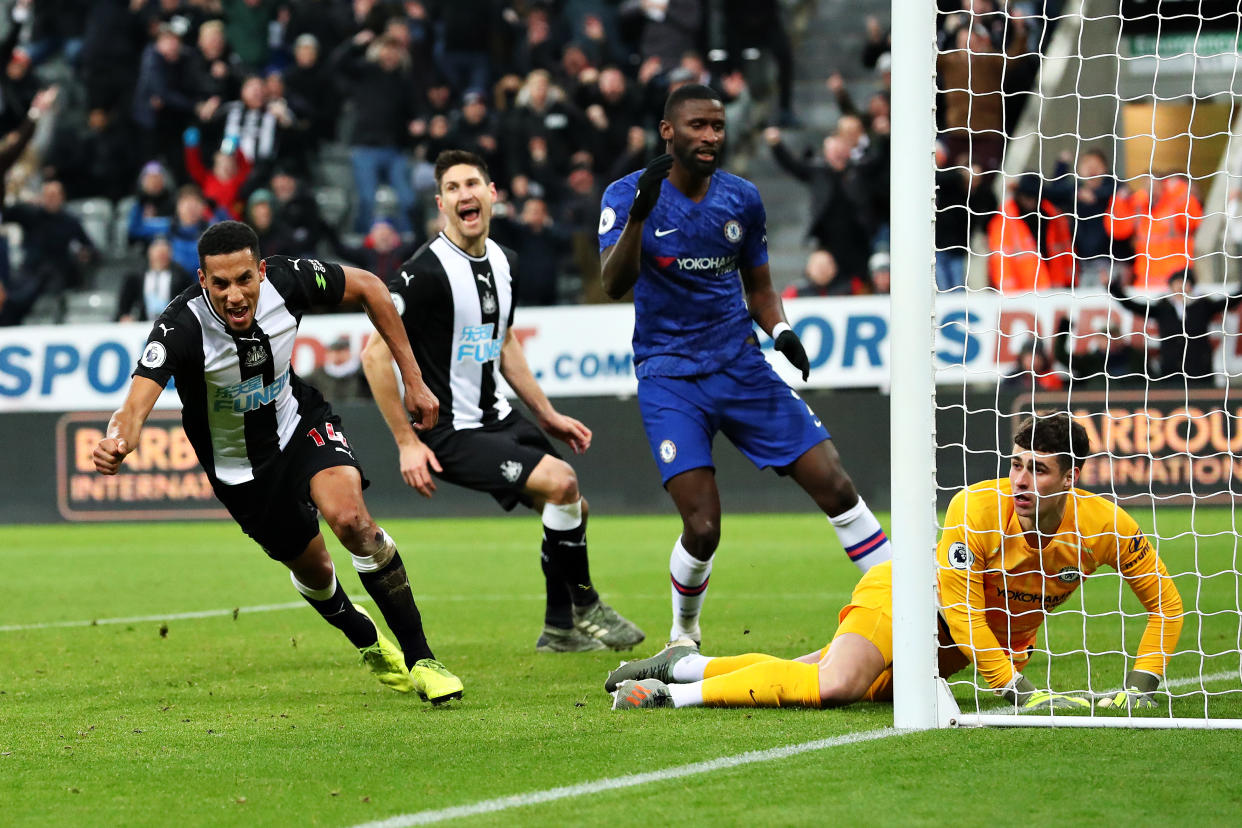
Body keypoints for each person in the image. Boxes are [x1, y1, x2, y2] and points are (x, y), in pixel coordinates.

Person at [92, 220, 463, 704]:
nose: (235, 295)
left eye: (244, 279)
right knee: (316, 570)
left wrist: (412, 379)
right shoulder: (181, 326)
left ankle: (422, 658)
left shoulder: (289, 281)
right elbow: (134, 406)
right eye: (220, 283)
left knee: (353, 522)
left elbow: (372, 288)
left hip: (299, 424)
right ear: (202, 281)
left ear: (261, 271)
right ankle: (363, 635)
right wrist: (117, 441)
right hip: (242, 471)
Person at [608, 413, 1184, 712]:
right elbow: (959, 607)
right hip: (911, 598)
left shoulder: (1106, 527)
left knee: (822, 675)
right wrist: (1017, 689)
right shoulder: (976, 508)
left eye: (1038, 470)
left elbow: (1167, 602)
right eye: (1016, 465)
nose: (1022, 481)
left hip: (972, 643)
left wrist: (1142, 683)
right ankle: (671, 696)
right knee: (837, 684)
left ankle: (684, 665)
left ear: (1070, 477)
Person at [599, 85, 892, 647]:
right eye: (697, 126)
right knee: (703, 528)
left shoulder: (742, 199)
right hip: (669, 376)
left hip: (742, 365)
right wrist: (639, 214)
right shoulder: (626, 194)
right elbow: (614, 283)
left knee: (835, 484)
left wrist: (781, 332)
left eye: (718, 126)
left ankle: (911, 611)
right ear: (668, 132)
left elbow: (759, 288)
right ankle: (684, 632)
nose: (711, 136)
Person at [361, 149, 644, 654]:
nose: (465, 194)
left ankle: (559, 629)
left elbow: (504, 341)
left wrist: (548, 413)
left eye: (473, 183)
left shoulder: (505, 261)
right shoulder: (422, 273)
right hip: (450, 431)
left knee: (573, 507)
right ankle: (586, 604)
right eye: (453, 187)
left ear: (492, 195)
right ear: (441, 203)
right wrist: (407, 441)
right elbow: (373, 356)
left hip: (500, 416)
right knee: (562, 483)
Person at [1108, 269, 1241, 387]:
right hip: (1171, 370)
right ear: (1170, 286)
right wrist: (1113, 288)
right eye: (1176, 282)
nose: (1180, 286)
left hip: (1199, 369)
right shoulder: (1163, 308)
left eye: (1184, 282)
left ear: (1190, 285)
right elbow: (1134, 306)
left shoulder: (1202, 305)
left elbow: (1228, 302)